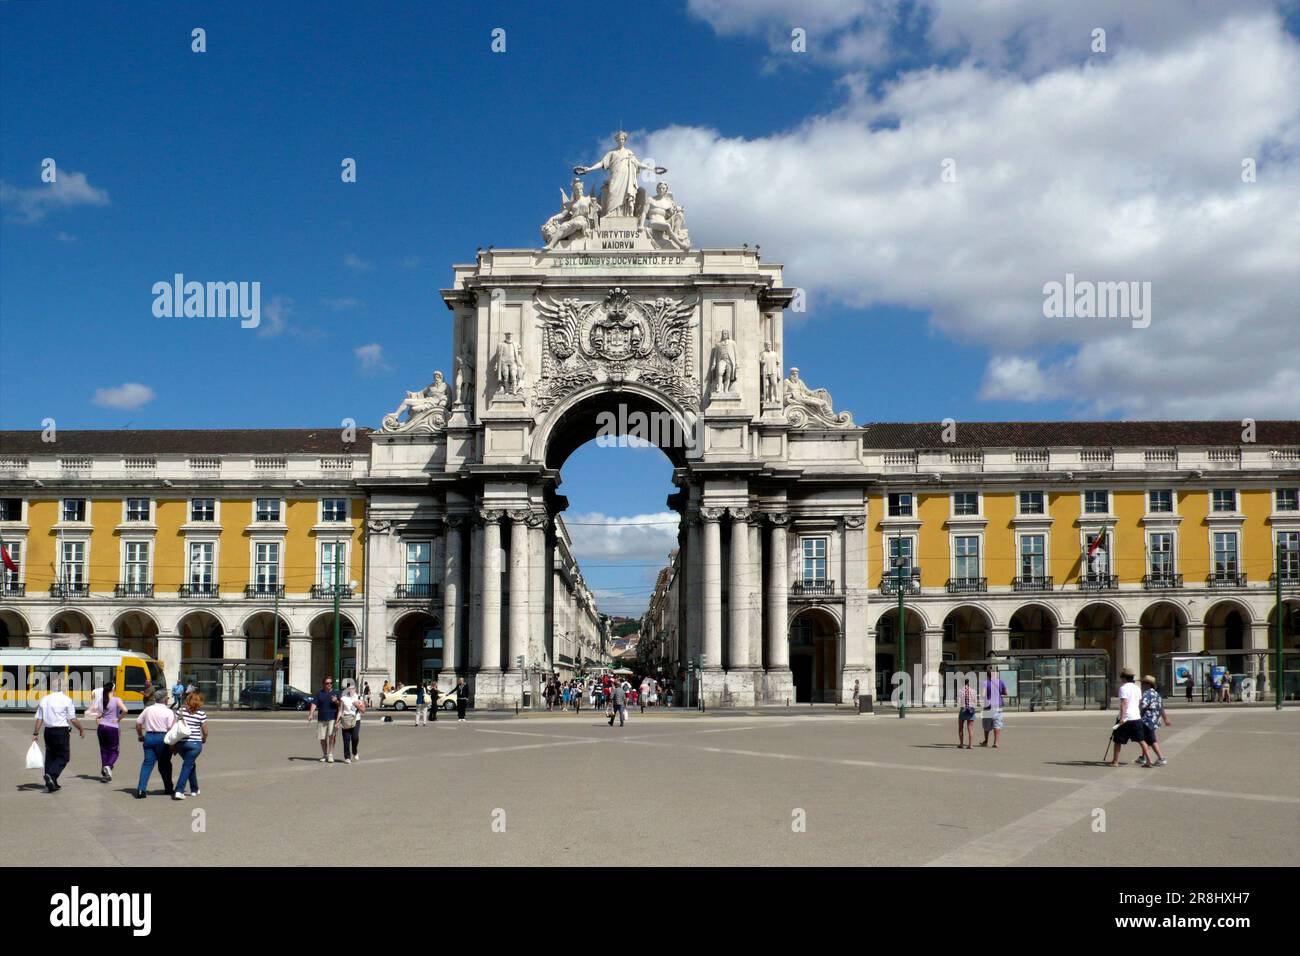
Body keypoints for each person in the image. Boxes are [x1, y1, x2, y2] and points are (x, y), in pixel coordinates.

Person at [32, 677, 84, 792]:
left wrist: (35, 733)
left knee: (50, 755)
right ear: (63, 687)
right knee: (64, 757)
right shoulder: (67, 700)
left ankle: (52, 782)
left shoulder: (44, 699)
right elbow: (73, 719)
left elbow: (39, 719)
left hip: (48, 732)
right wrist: (81, 729)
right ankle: (51, 774)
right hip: (61, 732)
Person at [134, 687, 176, 798]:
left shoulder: (148, 709)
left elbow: (138, 723)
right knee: (165, 764)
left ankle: (141, 789)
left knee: (147, 764)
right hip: (163, 738)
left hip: (149, 737)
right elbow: (171, 729)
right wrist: (173, 745)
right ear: (165, 699)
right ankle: (168, 788)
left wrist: (140, 736)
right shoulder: (169, 712)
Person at [1110, 668, 1150, 768]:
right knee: (1141, 740)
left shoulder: (1123, 688)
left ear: (1123, 678)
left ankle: (1115, 761)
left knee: (1118, 741)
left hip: (1126, 718)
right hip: (1136, 717)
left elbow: (1124, 703)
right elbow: (1140, 703)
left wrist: (1122, 717)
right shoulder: (1137, 688)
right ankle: (1149, 760)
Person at [90, 678, 127, 781]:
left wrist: (99, 719)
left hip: (101, 727)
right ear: (113, 689)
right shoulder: (116, 700)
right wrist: (118, 719)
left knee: (104, 750)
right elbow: (125, 710)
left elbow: (98, 713)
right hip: (112, 727)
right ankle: (108, 765)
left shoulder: (102, 700)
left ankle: (105, 772)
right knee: (114, 750)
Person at [173, 692, 208, 799]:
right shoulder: (201, 714)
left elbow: (174, 726)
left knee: (190, 764)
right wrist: (204, 739)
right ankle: (179, 790)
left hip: (181, 744)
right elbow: (205, 731)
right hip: (195, 744)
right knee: (187, 766)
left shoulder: (180, 711)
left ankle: (194, 788)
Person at [1136, 676, 1171, 767]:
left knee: (1151, 740)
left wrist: (1136, 713)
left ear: (1148, 684)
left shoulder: (1147, 694)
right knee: (1146, 739)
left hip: (1146, 720)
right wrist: (1165, 718)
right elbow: (1161, 708)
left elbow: (1142, 706)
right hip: (1154, 721)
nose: (1141, 685)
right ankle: (1143, 757)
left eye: (1143, 683)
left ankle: (1161, 758)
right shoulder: (1157, 694)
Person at [307, 676, 341, 762]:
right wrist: (311, 714)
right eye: (327, 683)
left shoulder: (336, 693)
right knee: (322, 738)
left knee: (331, 736)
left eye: (330, 683)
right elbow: (314, 704)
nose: (329, 685)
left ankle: (330, 754)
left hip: (332, 718)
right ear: (323, 684)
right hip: (321, 719)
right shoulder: (319, 693)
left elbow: (341, 706)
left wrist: (336, 701)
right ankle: (325, 754)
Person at [980, 666, 1008, 748]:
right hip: (998, 707)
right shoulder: (1000, 682)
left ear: (987, 675)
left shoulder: (985, 683)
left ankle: (986, 741)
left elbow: (983, 694)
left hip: (988, 707)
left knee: (986, 725)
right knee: (997, 724)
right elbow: (1006, 692)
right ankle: (996, 742)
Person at [339, 682, 365, 763]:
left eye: (353, 688)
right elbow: (340, 710)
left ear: (355, 689)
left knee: (355, 738)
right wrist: (337, 721)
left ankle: (354, 751)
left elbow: (363, 710)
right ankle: (347, 757)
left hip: (356, 720)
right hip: (346, 720)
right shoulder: (343, 698)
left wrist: (357, 705)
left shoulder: (359, 697)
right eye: (349, 688)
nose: (351, 690)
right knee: (346, 739)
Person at [957, 678, 977, 749]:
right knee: (970, 728)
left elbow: (958, 702)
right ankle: (970, 745)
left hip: (963, 709)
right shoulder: (973, 691)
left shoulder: (960, 691)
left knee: (960, 727)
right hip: (971, 710)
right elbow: (975, 701)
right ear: (969, 683)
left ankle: (961, 744)